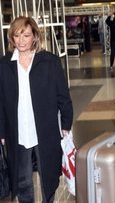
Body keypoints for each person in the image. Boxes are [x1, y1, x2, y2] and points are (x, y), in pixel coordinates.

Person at [0, 16, 73, 202]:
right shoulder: (4, 64)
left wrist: (66, 123)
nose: (21, 40)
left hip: (45, 128)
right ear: (11, 38)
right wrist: (2, 131)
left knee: (48, 174)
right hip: (17, 130)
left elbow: (62, 95)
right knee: (22, 178)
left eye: (25, 35)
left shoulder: (49, 61)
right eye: (17, 36)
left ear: (34, 36)